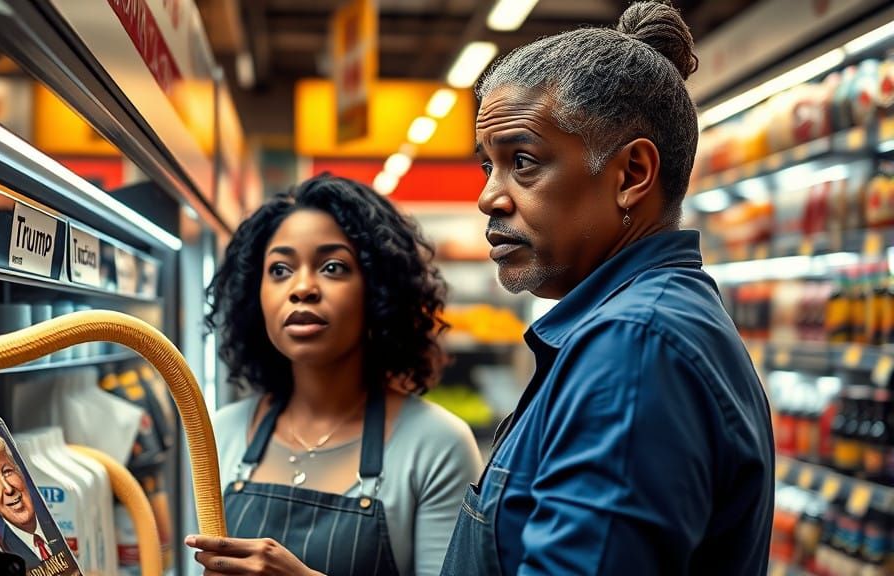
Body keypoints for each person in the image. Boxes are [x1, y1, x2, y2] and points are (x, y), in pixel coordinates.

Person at [441, 2, 774, 575]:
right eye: (487, 167)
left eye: (522, 162)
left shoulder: (634, 347)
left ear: (631, 175)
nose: (489, 197)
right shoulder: (649, 323)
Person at [188, 174, 482, 575]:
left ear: (377, 291)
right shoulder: (219, 434)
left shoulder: (436, 447)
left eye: (332, 267)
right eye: (279, 269)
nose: (302, 287)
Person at [0, 428, 64, 571]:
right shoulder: (4, 558)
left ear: (20, 472)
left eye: (7, 471)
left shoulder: (56, 531)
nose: (8, 489)